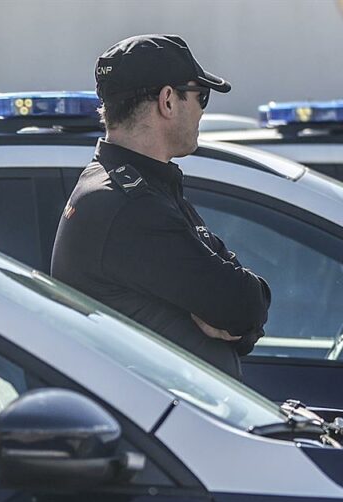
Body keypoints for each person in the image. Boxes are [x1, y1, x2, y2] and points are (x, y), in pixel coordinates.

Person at [51, 34, 269, 378]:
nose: (202, 111)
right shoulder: (127, 205)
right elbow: (244, 304)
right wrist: (236, 317)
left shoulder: (137, 186)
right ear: (168, 100)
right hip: (160, 407)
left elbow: (242, 299)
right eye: (201, 96)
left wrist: (237, 319)